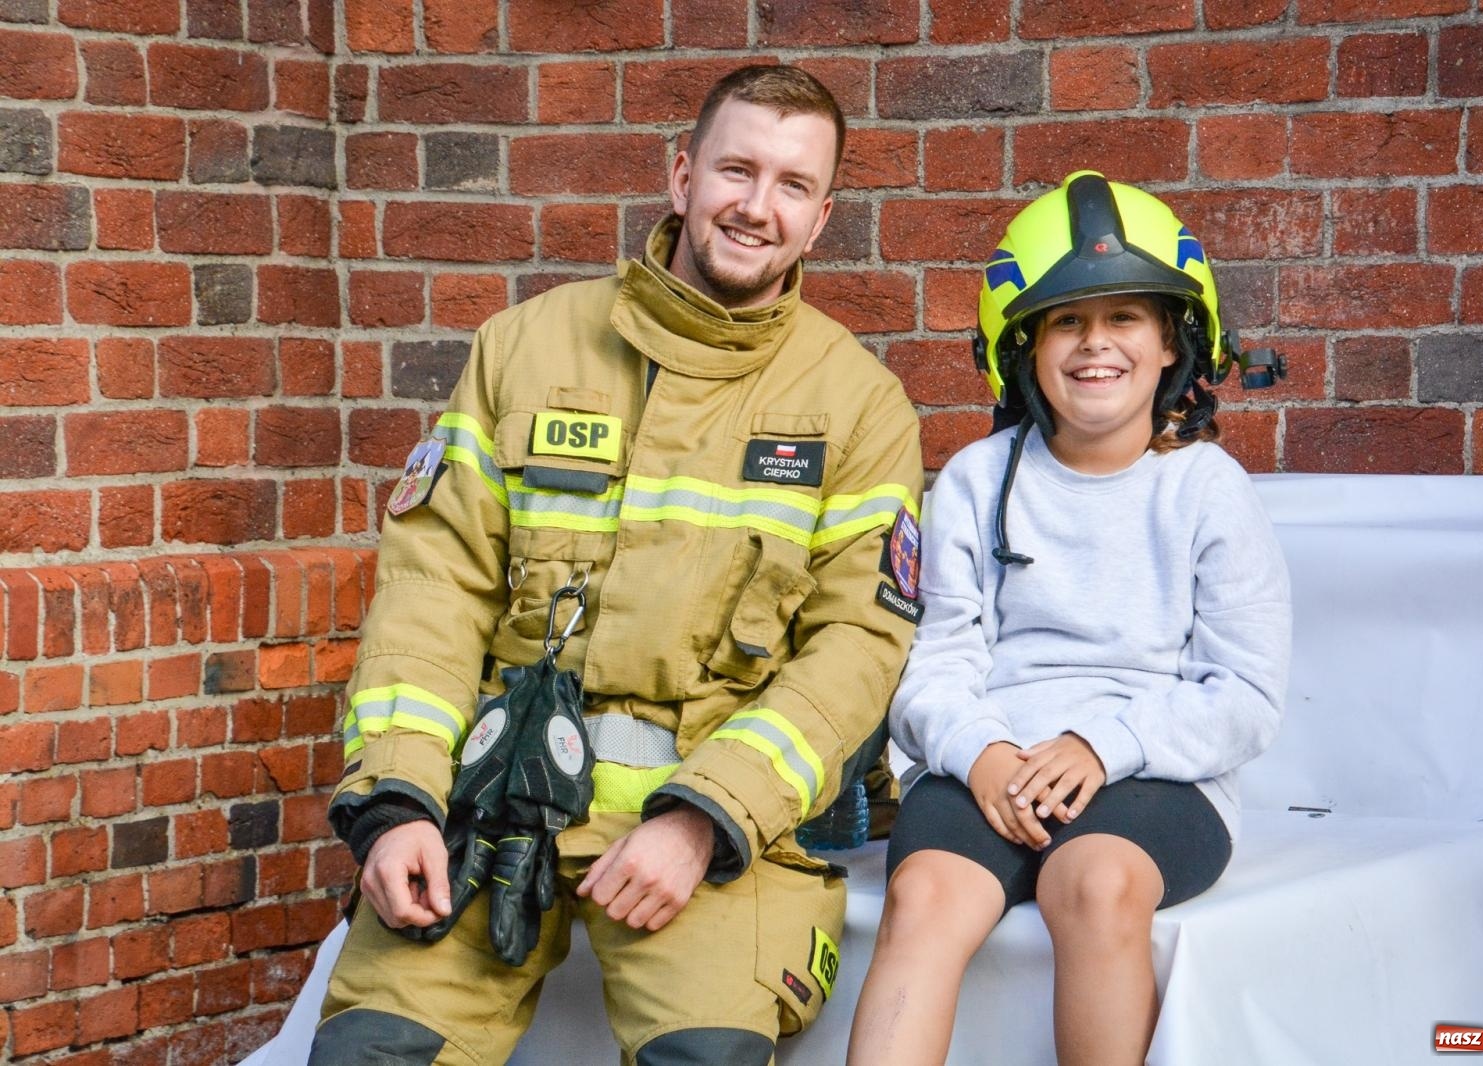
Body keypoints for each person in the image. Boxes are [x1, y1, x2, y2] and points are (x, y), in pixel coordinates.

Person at [311, 65, 924, 1066]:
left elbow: (858, 646)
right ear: (682, 176)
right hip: (490, 813)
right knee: (368, 1054)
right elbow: (435, 589)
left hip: (711, 843)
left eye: (792, 185)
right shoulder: (522, 348)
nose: (755, 207)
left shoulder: (857, 406)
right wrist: (395, 803)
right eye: (736, 169)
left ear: (820, 221)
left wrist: (705, 817)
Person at [846, 171, 1292, 1066]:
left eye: (1125, 317)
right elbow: (936, 662)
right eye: (1066, 322)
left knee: (1093, 883)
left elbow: (1245, 694)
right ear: (1022, 347)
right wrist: (981, 754)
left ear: (1173, 342)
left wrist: (1101, 745)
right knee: (927, 894)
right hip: (995, 763)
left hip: (1153, 771)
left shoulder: (1208, 490)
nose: (1096, 345)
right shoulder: (976, 479)